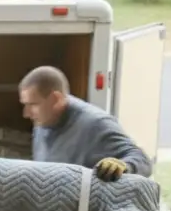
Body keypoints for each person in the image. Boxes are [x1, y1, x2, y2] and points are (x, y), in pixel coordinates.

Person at [18, 65, 153, 181]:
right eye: (25, 104)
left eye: (33, 104)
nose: (26, 113)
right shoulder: (43, 121)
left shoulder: (96, 124)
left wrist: (124, 166)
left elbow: (142, 160)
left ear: (56, 99)